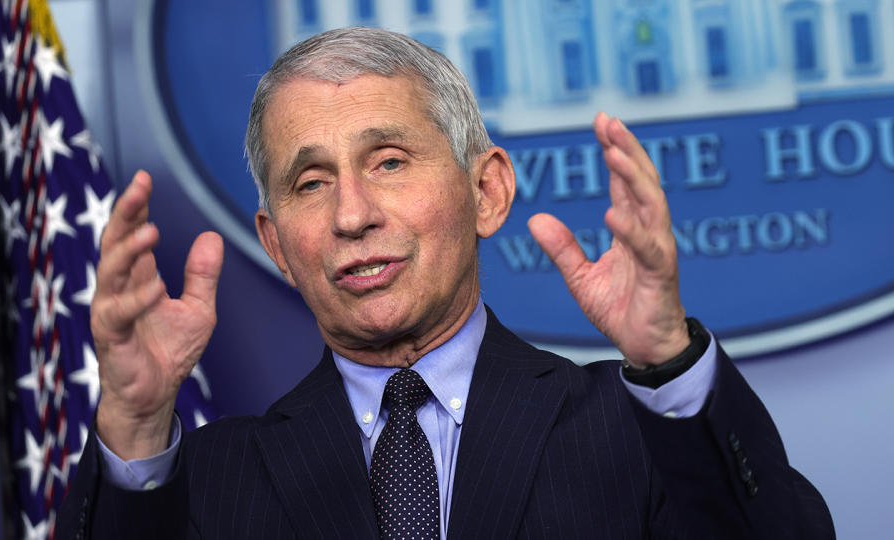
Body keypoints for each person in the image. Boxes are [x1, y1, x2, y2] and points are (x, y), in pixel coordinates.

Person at [57, 27, 833, 539]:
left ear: (486, 192)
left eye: (388, 161)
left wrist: (667, 356)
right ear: (278, 246)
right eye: (311, 182)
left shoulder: (631, 430)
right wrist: (132, 420)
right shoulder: (209, 480)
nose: (352, 215)